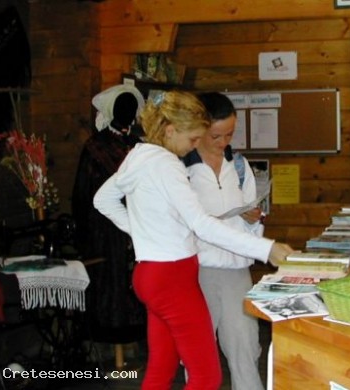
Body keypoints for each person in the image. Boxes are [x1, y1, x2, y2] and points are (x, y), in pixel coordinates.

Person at [93, 90, 293, 390]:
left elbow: (103, 199)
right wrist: (267, 248)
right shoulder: (168, 164)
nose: (195, 145)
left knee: (162, 368)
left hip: (150, 273)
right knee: (206, 377)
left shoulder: (138, 155)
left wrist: (143, 233)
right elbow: (202, 225)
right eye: (192, 139)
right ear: (171, 131)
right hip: (173, 277)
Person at [182, 92, 264, 390]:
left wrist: (253, 218)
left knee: (245, 347)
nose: (224, 142)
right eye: (217, 135)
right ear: (198, 129)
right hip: (196, 271)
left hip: (236, 271)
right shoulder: (181, 169)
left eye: (230, 134)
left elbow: (252, 218)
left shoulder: (239, 167)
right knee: (197, 354)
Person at [72, 84, 147, 344]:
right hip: (105, 229)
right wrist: (83, 233)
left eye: (131, 106)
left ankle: (139, 338)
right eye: (122, 106)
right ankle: (112, 341)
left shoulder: (139, 145)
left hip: (139, 225)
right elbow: (83, 192)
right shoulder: (96, 146)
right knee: (112, 284)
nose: (128, 111)